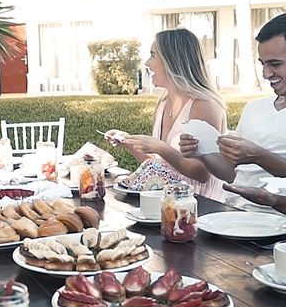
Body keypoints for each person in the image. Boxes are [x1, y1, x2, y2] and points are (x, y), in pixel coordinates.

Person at [180, 13, 286, 210]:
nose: (266, 74)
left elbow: (255, 159)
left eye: (275, 63)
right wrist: (201, 153)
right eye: (263, 64)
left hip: (277, 225)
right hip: (234, 214)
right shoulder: (254, 109)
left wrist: (259, 156)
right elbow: (232, 173)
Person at [105, 28, 226, 200]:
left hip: (199, 204)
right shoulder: (163, 103)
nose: (147, 63)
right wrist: (130, 142)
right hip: (167, 202)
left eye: (153, 55)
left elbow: (202, 173)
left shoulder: (204, 106)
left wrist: (159, 146)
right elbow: (160, 166)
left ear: (172, 61)